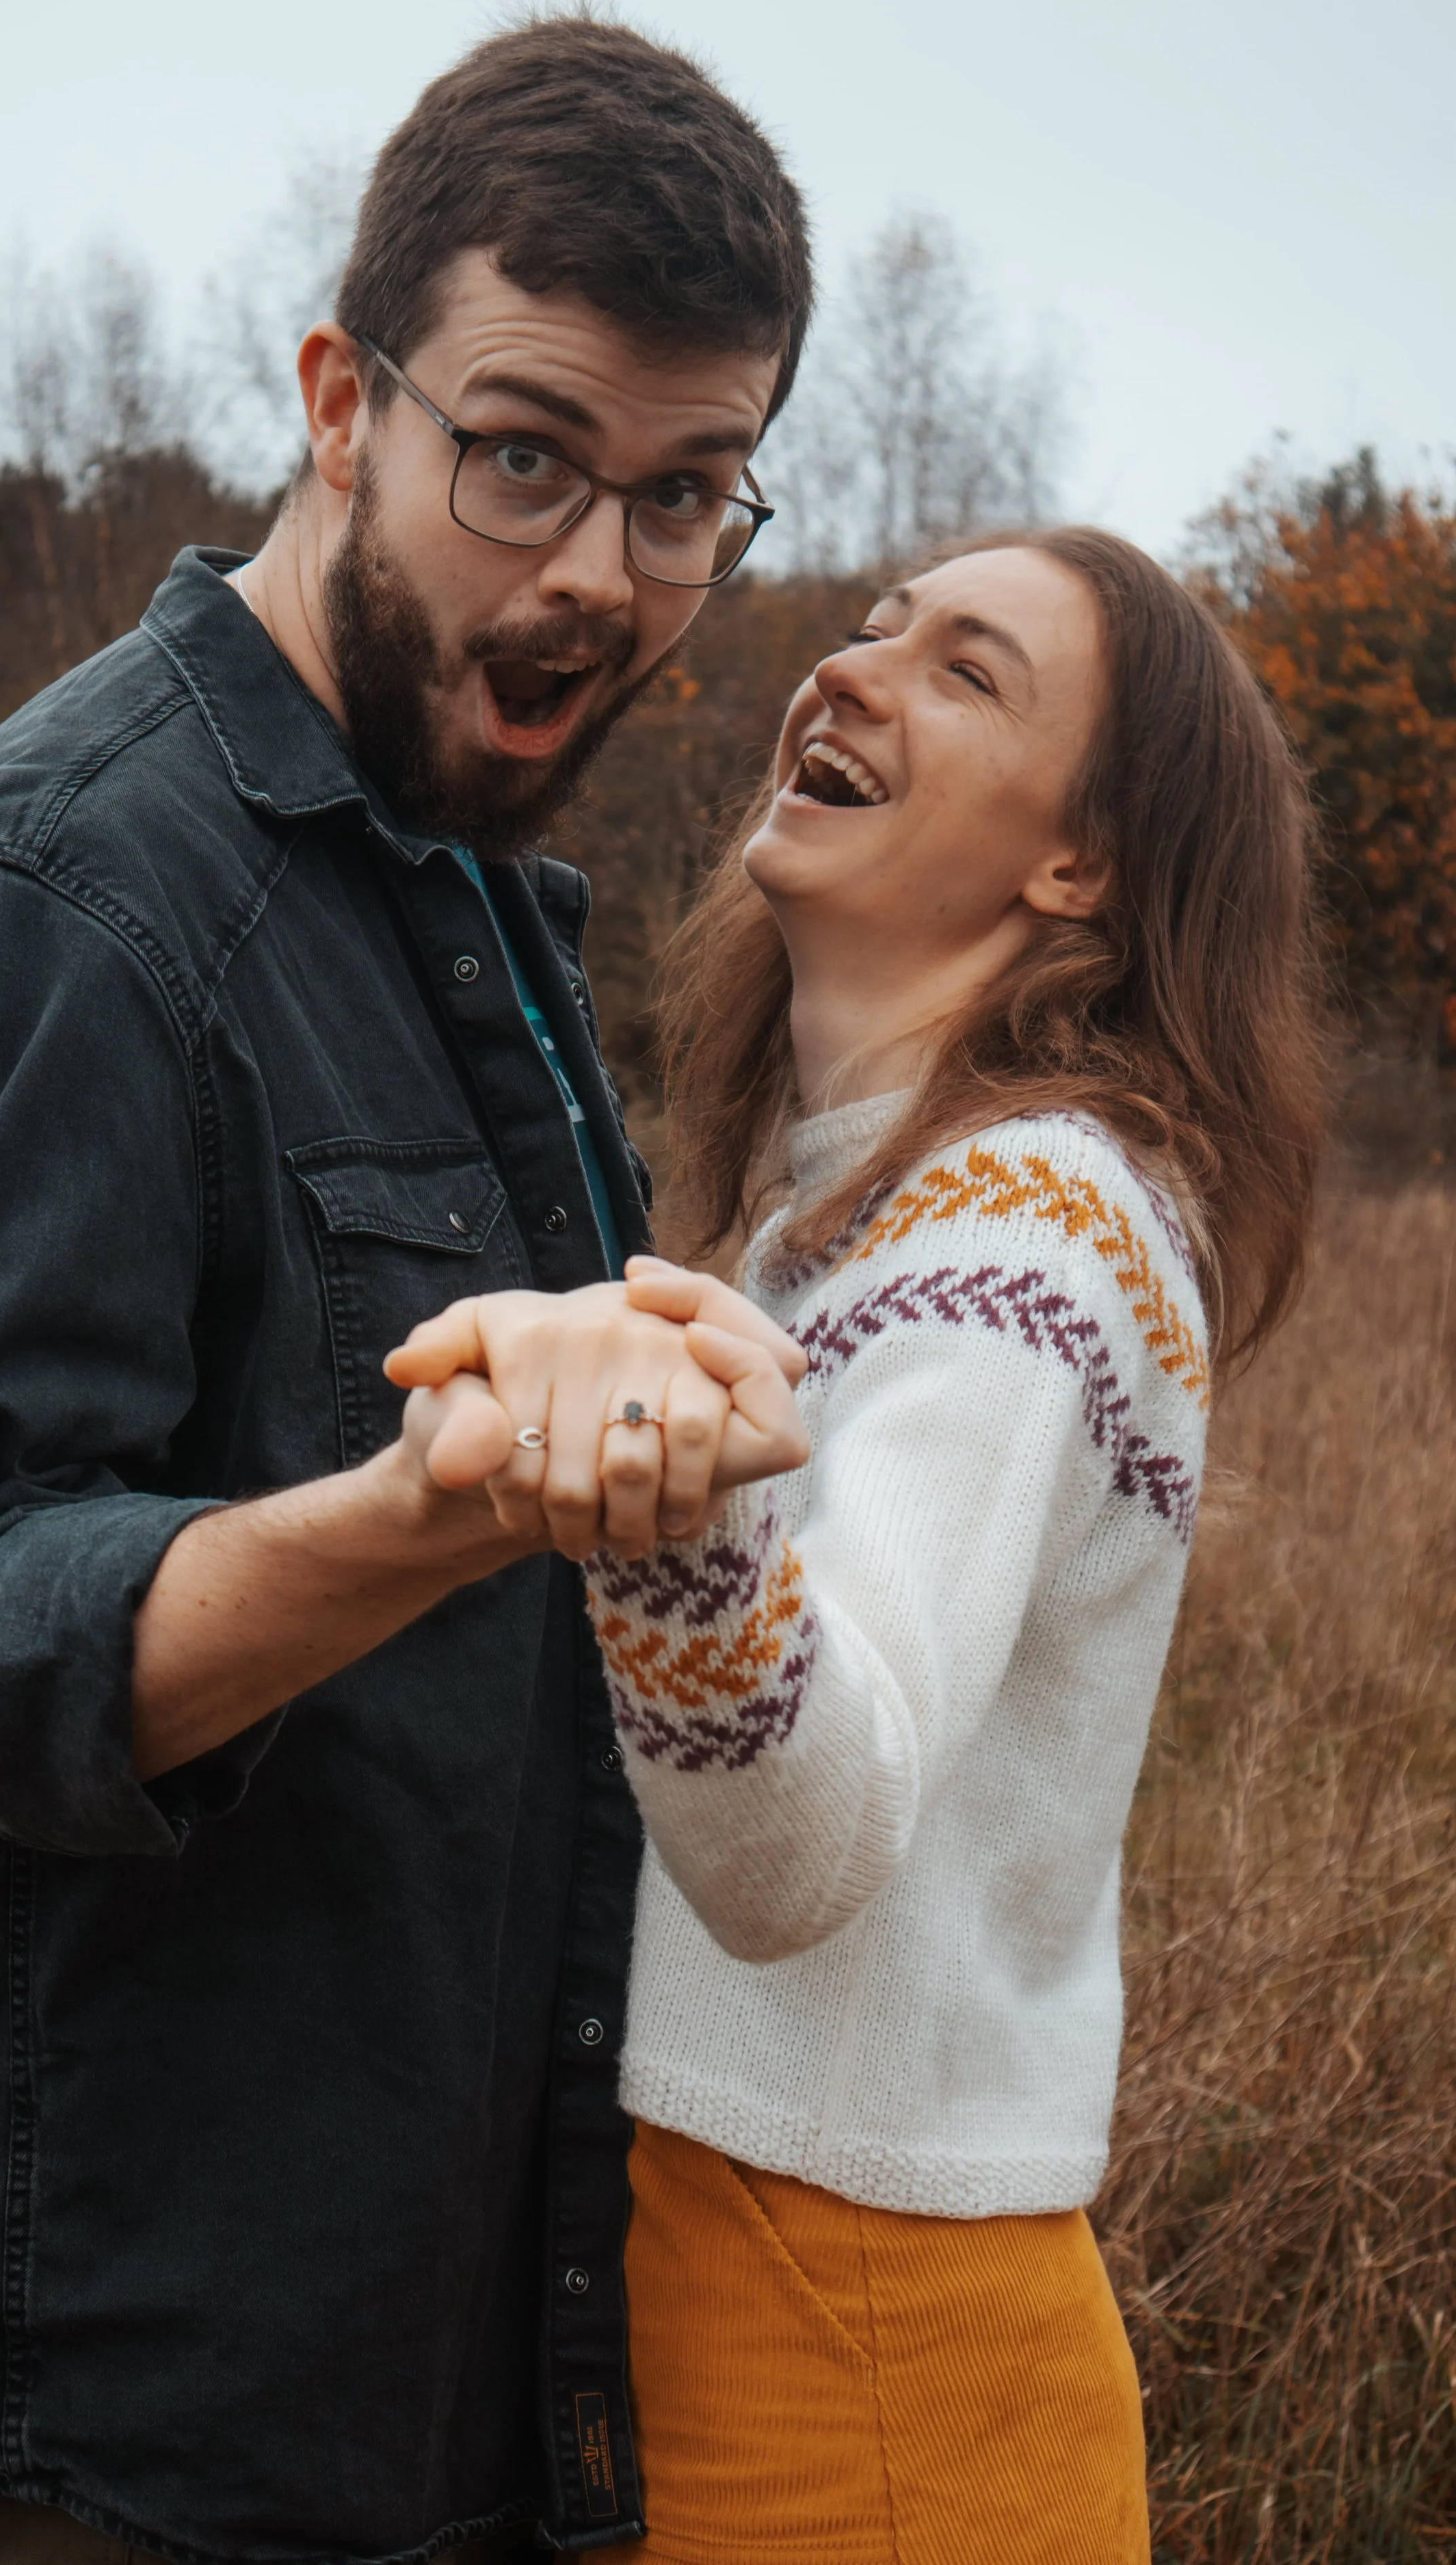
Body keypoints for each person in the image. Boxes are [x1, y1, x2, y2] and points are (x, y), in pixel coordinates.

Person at [0, 21, 816, 2563]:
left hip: (426, 2356)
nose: (602, 573)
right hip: (128, 2419)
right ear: (343, 397)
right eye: (528, 455)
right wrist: (437, 1504)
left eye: (688, 496)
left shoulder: (454, 892)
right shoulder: (66, 903)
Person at [395, 529, 1325, 2560]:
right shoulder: (837, 1223)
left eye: (964, 668)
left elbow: (806, 1847)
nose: (850, 666)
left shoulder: (1035, 1218)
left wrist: (665, 1510)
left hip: (863, 2350)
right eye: (873, 621)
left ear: (1077, 861)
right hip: (750, 2284)